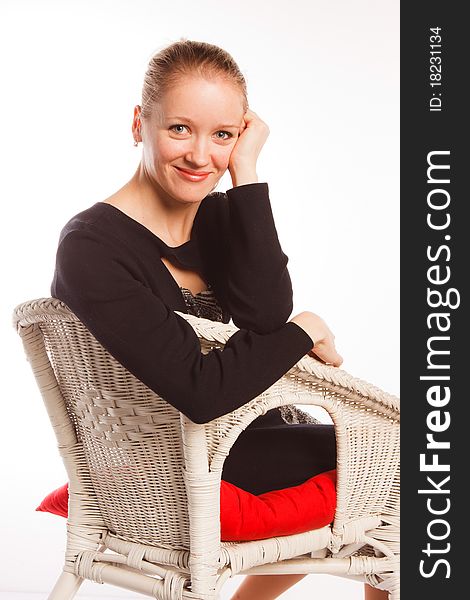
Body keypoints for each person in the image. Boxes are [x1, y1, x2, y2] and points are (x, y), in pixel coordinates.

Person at [50, 38, 387, 600]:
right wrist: (305, 330)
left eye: (223, 136)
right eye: (179, 129)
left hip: (242, 439)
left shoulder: (220, 218)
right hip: (169, 464)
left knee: (400, 458)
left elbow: (264, 313)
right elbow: (201, 392)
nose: (201, 156)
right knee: (417, 465)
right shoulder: (90, 246)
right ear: (139, 123)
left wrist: (247, 173)